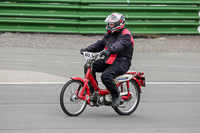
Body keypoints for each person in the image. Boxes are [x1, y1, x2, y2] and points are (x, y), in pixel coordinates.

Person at [80, 13, 134, 108]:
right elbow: (100, 44)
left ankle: (116, 96)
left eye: (112, 24)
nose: (110, 25)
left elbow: (119, 45)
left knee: (106, 76)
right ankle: (93, 92)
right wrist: (87, 49)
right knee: (89, 67)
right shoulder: (109, 34)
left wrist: (108, 51)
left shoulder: (126, 34)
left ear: (119, 23)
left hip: (122, 62)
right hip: (110, 60)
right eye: (109, 23)